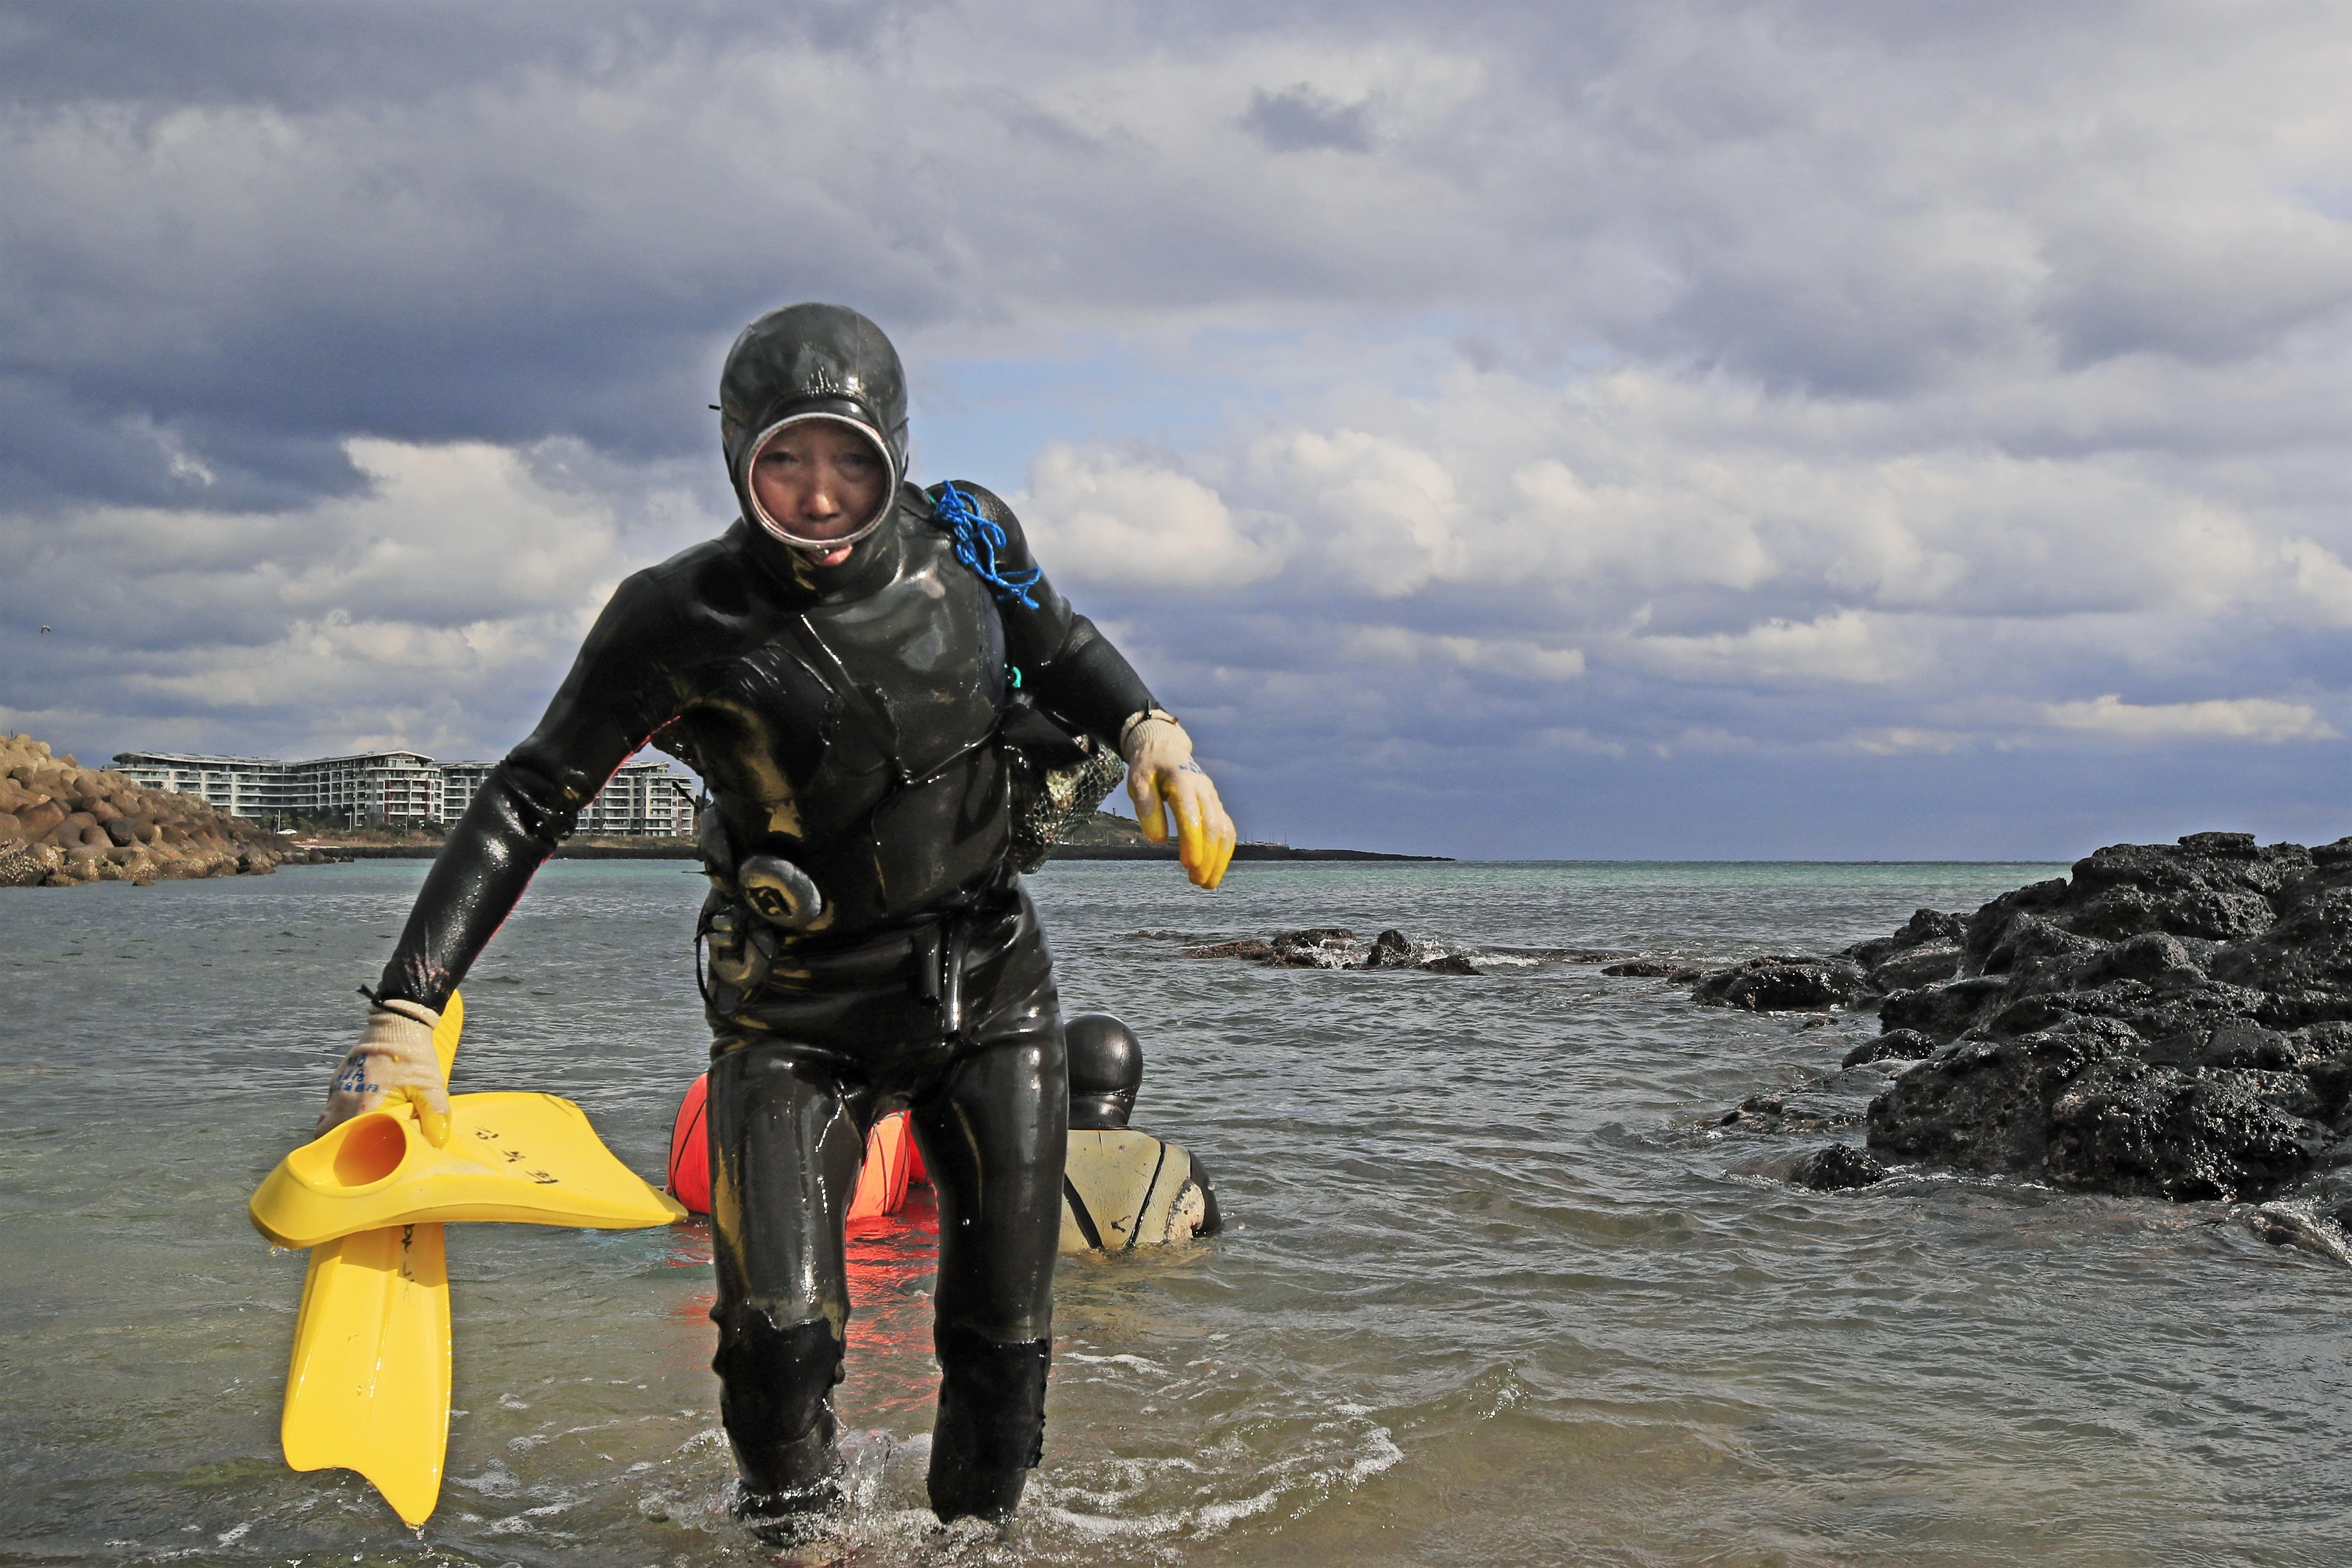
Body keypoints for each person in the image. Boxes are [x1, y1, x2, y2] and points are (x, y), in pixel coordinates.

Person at [311, 302, 1237, 1533]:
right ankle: (796, 1547)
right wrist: (405, 1008)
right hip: (792, 1007)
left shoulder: (969, 539)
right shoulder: (679, 615)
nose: (815, 494)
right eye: (784, 461)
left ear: (892, 451)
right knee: (776, 1335)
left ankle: (976, 1547)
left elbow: (1059, 643)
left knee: (1002, 1338)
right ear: (737, 454)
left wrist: (1148, 731)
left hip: (985, 988)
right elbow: (531, 794)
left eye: (846, 461)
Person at [1059, 1012, 1222, 1251]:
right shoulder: (1183, 1166)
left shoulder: (1016, 1162)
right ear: (1135, 1086)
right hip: (1149, 1277)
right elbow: (1213, 1244)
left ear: (1056, 1080)